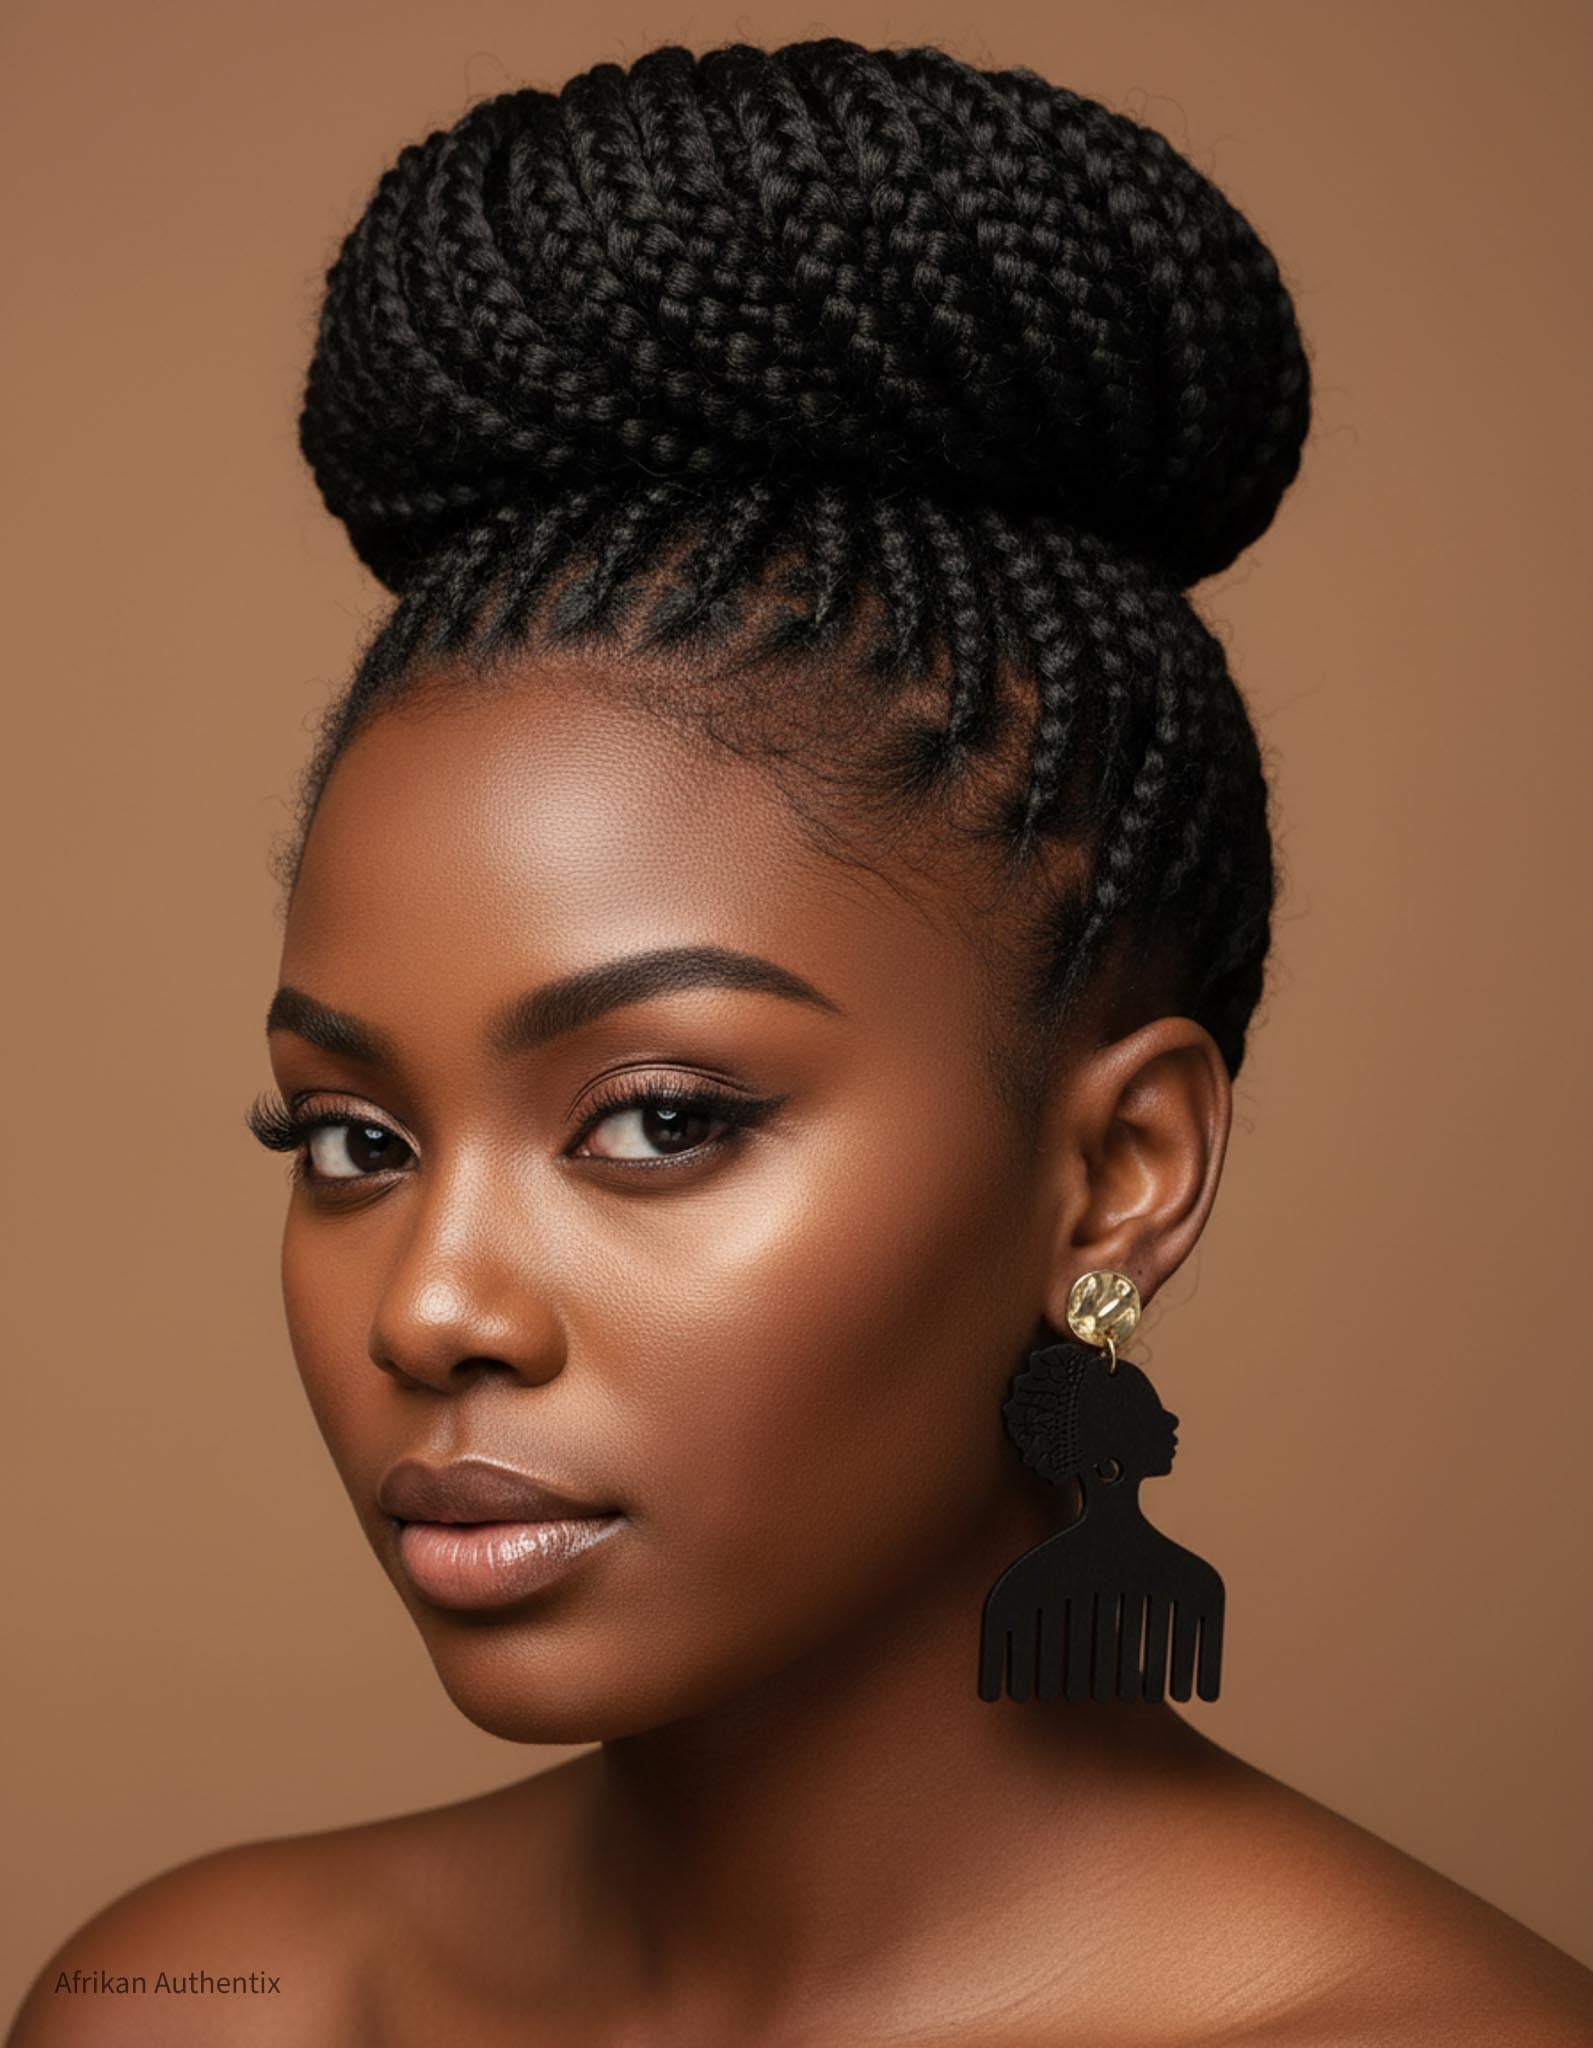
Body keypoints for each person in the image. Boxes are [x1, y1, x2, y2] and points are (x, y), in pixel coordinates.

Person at [11, 35, 1593, 2048]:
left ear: (1113, 1173)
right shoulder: (201, 2008)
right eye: (348, 1139)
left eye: (656, 1119)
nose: (431, 1306)